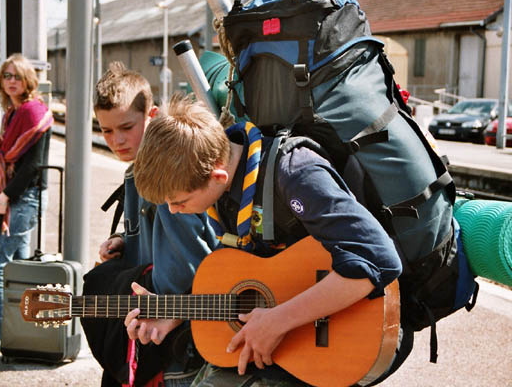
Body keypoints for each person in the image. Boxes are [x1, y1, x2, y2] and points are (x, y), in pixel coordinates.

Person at [131, 95, 403, 386]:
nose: (173, 211)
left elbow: (377, 260)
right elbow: (261, 280)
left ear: (218, 176)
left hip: (348, 332)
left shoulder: (295, 173)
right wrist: (176, 313)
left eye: (179, 201)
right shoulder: (227, 190)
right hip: (287, 342)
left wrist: (278, 321)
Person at [85, 62, 220, 386]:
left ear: (153, 115)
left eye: (126, 127)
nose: (116, 140)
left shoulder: (170, 178)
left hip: (173, 333)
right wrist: (123, 240)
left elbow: (184, 258)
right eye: (105, 130)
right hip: (155, 318)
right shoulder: (135, 171)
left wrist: (165, 312)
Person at [0, 53, 53, 356]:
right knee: (19, 268)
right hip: (17, 197)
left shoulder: (34, 112)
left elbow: (32, 165)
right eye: (7, 75)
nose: (11, 81)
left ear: (28, 81)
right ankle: (20, 333)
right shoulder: (13, 113)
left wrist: (5, 196)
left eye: (17, 76)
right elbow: (15, 157)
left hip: (23, 198)